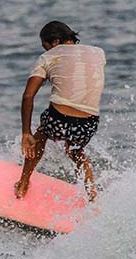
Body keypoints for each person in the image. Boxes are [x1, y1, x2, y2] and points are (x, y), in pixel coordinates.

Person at [15, 21, 106, 201]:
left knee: (40, 135)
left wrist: (26, 133)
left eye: (45, 46)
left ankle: (23, 183)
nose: (45, 51)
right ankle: (92, 195)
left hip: (58, 119)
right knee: (75, 151)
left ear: (55, 42)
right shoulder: (98, 52)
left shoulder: (48, 57)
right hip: (89, 123)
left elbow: (28, 96)